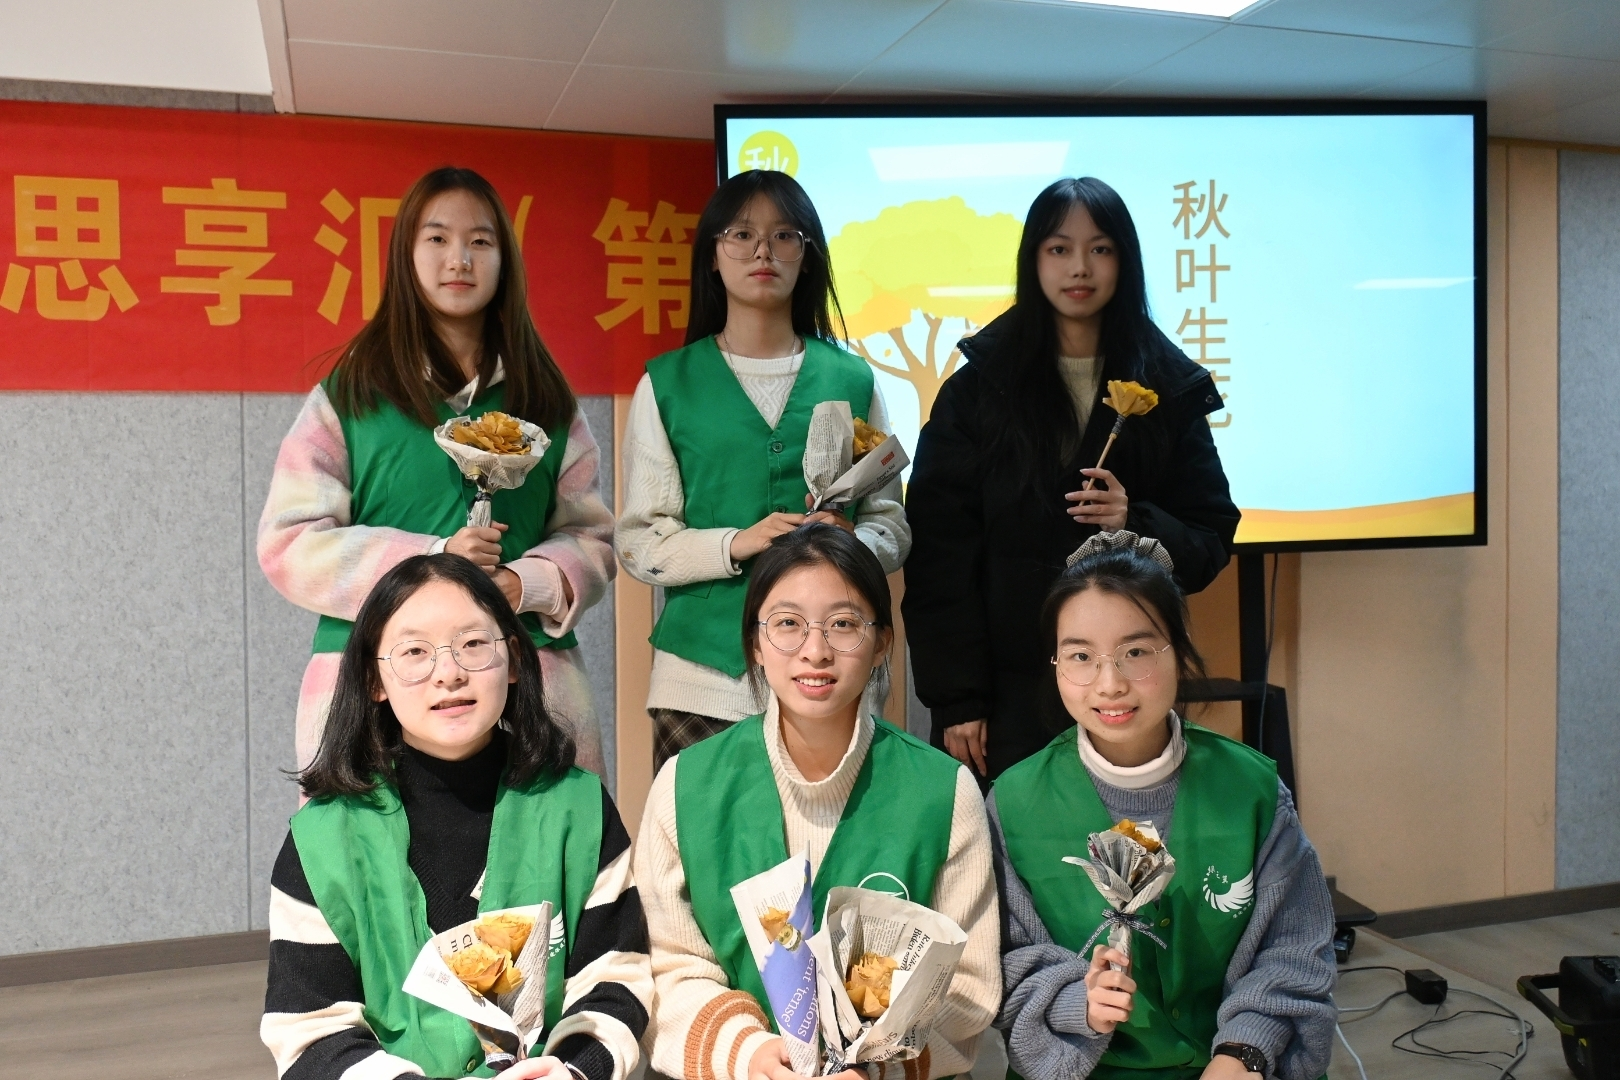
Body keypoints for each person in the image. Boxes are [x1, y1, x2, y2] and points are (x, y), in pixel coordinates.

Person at [260, 166, 614, 775]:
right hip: (374, 690)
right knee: (372, 836)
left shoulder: (547, 399)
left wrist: (522, 584)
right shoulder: (351, 396)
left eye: (480, 241)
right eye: (437, 238)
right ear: (406, 254)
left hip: (530, 685)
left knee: (550, 834)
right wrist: (433, 559)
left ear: (505, 260)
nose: (460, 260)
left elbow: (594, 537)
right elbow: (288, 542)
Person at [261, 554, 650, 1080]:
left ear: (514, 660)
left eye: (472, 644)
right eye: (414, 652)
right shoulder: (322, 840)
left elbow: (617, 978)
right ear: (374, 680)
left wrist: (573, 1070)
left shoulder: (578, 808)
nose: (449, 673)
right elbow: (310, 1029)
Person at [904, 176, 1240, 782]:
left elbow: (1209, 537)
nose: (1079, 267)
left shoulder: (1169, 385)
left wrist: (1133, 522)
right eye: (1059, 248)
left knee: (1127, 838)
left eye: (1100, 249)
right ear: (1033, 260)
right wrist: (957, 699)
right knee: (1006, 841)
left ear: (1125, 261)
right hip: (1003, 698)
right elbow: (939, 556)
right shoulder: (978, 388)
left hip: (1125, 692)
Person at [634, 524, 998, 1080]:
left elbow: (967, 986)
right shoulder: (684, 785)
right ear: (755, 645)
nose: (815, 651)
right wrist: (748, 1054)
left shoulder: (944, 792)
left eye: (844, 624)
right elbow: (668, 964)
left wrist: (872, 1066)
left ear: (882, 643)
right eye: (787, 624)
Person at [990, 533, 1333, 1080]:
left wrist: (1245, 1050)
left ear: (1179, 650)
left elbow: (1295, 947)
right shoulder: (1013, 802)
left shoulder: (1251, 789)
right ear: (1055, 663)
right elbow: (1001, 958)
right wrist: (1075, 1001)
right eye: (1081, 657)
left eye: (1136, 652)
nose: (1109, 684)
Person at [615, 169, 909, 772]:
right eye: (741, 234)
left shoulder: (852, 379)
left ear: (808, 254)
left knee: (837, 831)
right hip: (702, 681)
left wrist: (855, 541)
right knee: (702, 831)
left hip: (831, 673)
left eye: (784, 236)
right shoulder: (667, 384)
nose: (762, 251)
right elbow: (640, 542)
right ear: (712, 255)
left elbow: (892, 524)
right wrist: (734, 543)